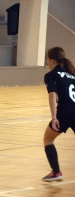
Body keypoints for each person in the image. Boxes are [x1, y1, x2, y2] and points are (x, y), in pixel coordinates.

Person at [42, 47, 75, 182]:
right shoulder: (72, 74)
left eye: (47, 60)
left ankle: (56, 172)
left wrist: (54, 117)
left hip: (65, 113)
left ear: (51, 60)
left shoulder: (51, 75)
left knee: (48, 140)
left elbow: (52, 95)